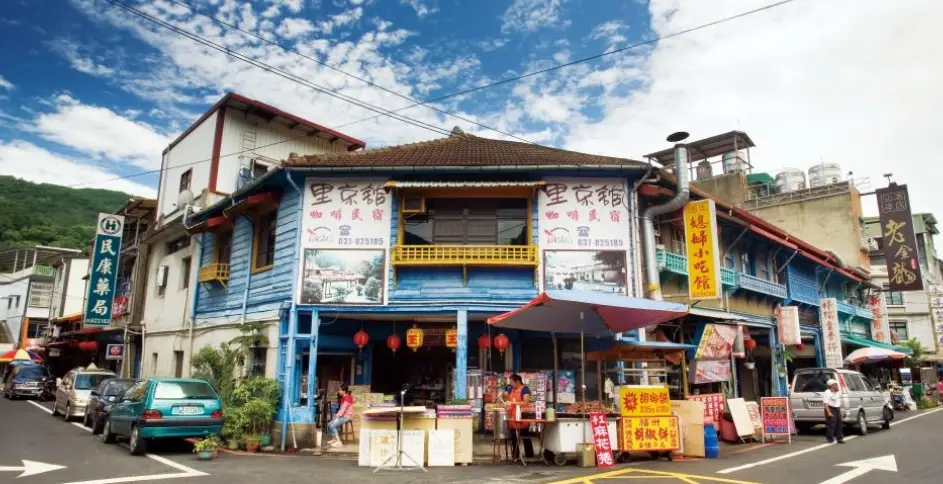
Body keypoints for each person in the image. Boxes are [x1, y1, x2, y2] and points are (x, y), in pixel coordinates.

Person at [505, 374, 535, 459]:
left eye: (512, 382)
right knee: (513, 436)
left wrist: (513, 403)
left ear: (517, 381)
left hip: (522, 416)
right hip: (512, 416)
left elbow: (525, 402)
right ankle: (516, 455)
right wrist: (502, 395)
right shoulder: (511, 388)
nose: (511, 384)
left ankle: (529, 455)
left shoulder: (525, 389)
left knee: (525, 435)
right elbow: (506, 394)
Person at [823, 378, 844, 444]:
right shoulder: (827, 392)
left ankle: (839, 438)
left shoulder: (837, 392)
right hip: (830, 408)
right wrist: (828, 412)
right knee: (831, 424)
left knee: (839, 424)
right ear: (831, 385)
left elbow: (838, 402)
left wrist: (840, 411)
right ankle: (830, 438)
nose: (836, 386)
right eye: (835, 384)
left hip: (837, 409)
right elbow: (825, 404)